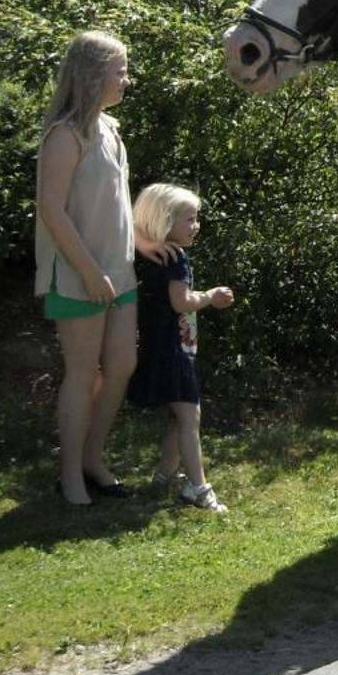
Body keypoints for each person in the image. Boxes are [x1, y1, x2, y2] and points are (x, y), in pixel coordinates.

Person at [33, 31, 168, 506]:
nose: (126, 80)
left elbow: (113, 206)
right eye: (120, 71)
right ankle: (70, 475)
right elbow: (52, 210)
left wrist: (142, 241)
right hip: (78, 274)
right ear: (94, 75)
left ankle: (93, 458)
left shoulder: (109, 130)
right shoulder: (65, 136)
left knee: (121, 365)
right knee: (80, 370)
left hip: (118, 272)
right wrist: (90, 272)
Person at [128, 184, 235, 512]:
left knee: (179, 415)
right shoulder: (177, 259)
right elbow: (180, 301)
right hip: (174, 350)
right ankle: (198, 488)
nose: (196, 225)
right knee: (191, 415)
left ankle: (164, 475)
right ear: (166, 221)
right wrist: (210, 297)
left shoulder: (155, 257)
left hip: (163, 346)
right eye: (189, 219)